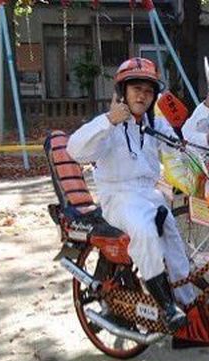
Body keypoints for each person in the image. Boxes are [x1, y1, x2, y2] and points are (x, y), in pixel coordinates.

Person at [66, 57, 197, 333]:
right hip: (119, 198)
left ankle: (188, 301)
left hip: (150, 195)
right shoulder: (109, 124)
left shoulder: (153, 123)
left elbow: (178, 148)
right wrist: (108, 121)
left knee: (174, 241)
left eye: (148, 91)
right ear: (122, 92)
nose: (142, 95)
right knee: (145, 232)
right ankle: (167, 307)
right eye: (136, 89)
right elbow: (74, 149)